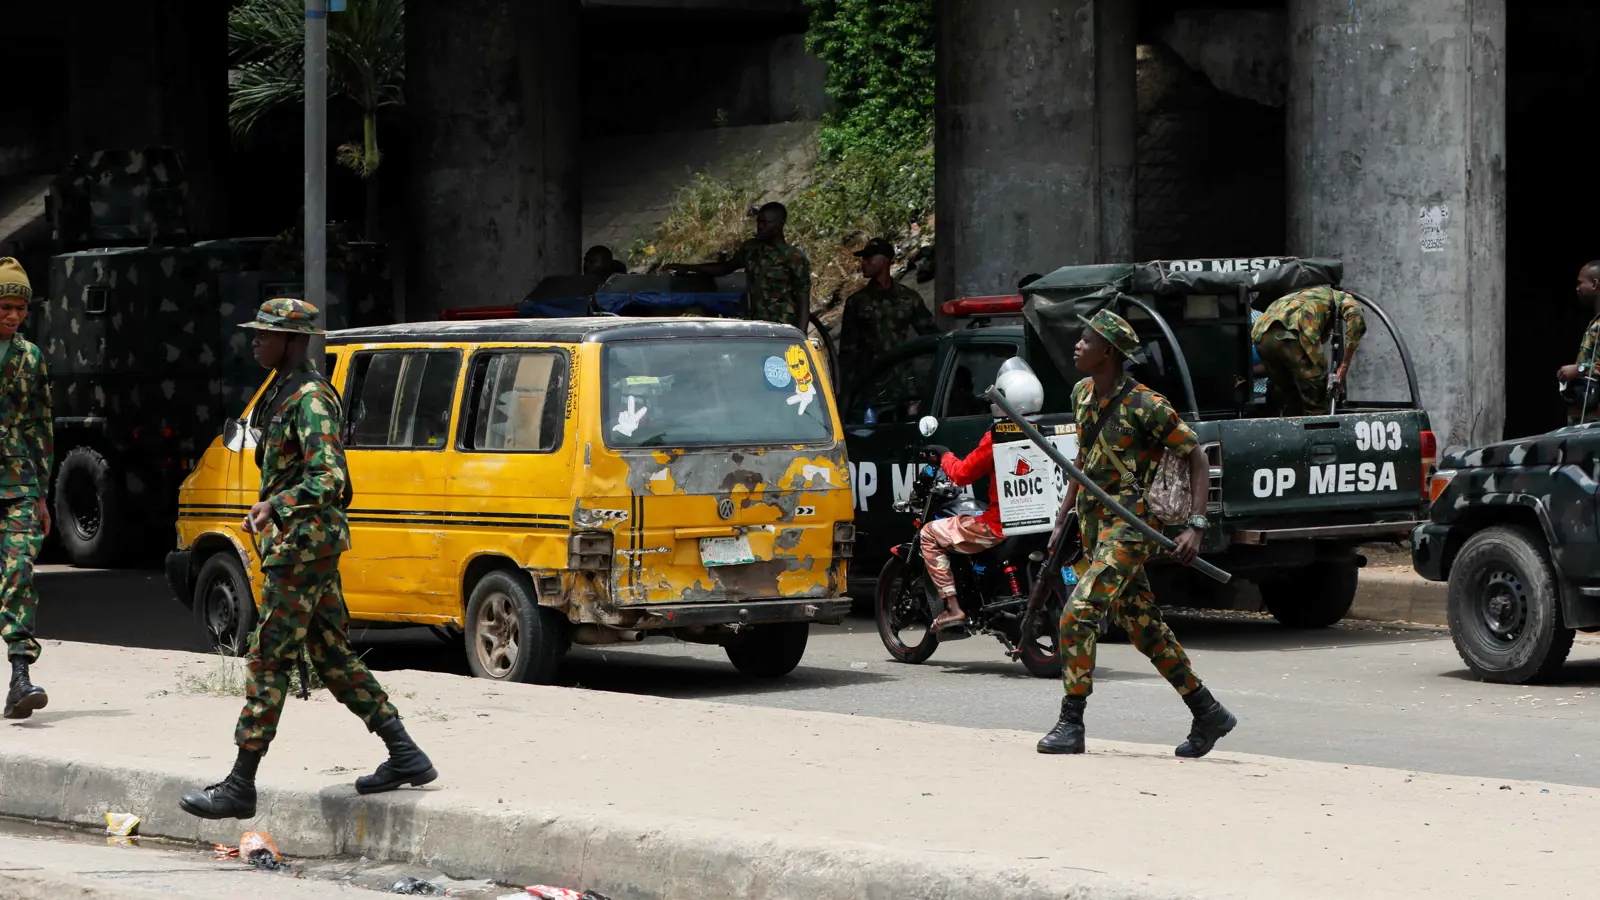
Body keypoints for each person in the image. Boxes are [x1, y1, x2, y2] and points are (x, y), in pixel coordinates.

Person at [180, 298, 437, 820]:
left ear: (295, 341)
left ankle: (240, 785)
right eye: (255, 333)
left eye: (266, 334)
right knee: (331, 656)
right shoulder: (281, 391)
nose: (255, 340)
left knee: (268, 657)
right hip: (298, 544)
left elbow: (331, 478)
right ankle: (405, 753)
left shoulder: (312, 398)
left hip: (303, 547)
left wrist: (276, 504)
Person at [1037, 310, 1235, 759]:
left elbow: (1197, 457)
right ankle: (1208, 711)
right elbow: (1083, 462)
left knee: (1077, 614)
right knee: (1145, 628)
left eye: (1085, 341)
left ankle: (1072, 722)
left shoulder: (1147, 405)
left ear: (1109, 351)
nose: (1077, 347)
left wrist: (1196, 528)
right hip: (1093, 526)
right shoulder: (1082, 395)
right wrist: (1062, 518)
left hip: (1131, 529)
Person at [916, 360, 1045, 632]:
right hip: (1045, 521)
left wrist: (944, 455)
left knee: (928, 533)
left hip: (1001, 525)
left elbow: (962, 474)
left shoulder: (998, 436)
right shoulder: (1047, 430)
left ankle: (952, 608)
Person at [0, 258, 52, 720]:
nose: (12, 315)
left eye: (18, 307)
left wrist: (41, 492)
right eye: (4, 306)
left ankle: (20, 677)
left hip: (17, 483)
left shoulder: (30, 357)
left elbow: (40, 423)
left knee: (19, 574)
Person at [667, 202, 811, 331]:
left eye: (766, 223)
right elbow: (725, 267)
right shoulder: (751, 249)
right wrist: (689, 268)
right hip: (756, 325)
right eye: (759, 222)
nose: (760, 226)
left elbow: (803, 299)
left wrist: (801, 336)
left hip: (783, 327)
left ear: (780, 224)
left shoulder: (794, 257)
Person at [838, 238, 937, 410]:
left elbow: (931, 336)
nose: (864, 263)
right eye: (863, 258)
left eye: (869, 258)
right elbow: (848, 353)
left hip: (904, 387)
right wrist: (845, 394)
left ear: (885, 260)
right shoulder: (857, 302)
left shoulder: (908, 298)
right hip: (869, 387)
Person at [1250, 284, 1366, 416]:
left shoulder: (1304, 297)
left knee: (1287, 394)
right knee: (1317, 390)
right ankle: (1319, 431)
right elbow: (1356, 318)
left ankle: (1289, 428)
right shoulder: (1342, 298)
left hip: (1261, 335)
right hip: (1291, 334)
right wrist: (1344, 366)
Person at [1558, 261, 1600, 426]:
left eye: (1580, 283)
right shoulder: (1595, 322)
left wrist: (1579, 369)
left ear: (1595, 284)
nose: (1577, 288)